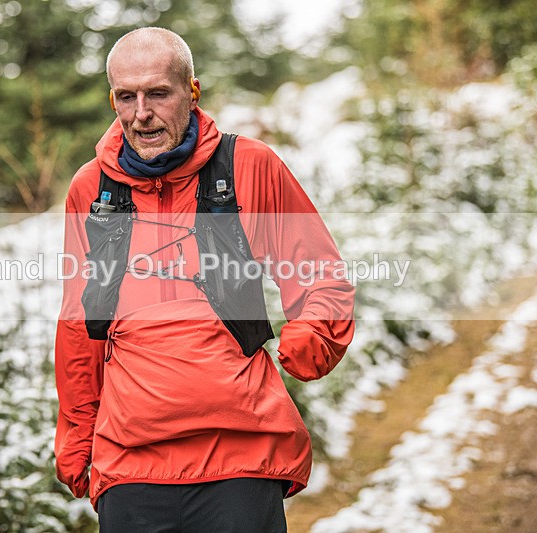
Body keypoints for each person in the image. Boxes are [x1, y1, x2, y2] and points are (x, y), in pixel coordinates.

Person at [54, 27, 355, 532]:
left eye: (158, 93)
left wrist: (311, 334)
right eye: (126, 97)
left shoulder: (248, 166)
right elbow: (79, 326)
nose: (141, 113)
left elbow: (320, 274)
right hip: (128, 460)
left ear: (192, 91)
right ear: (113, 100)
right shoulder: (92, 189)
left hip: (243, 450)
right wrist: (77, 436)